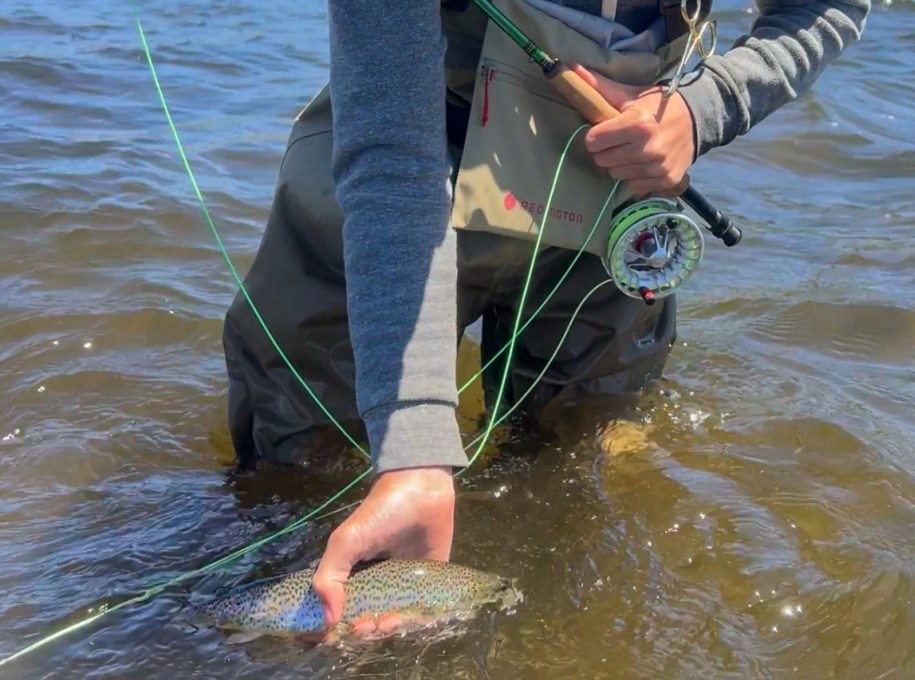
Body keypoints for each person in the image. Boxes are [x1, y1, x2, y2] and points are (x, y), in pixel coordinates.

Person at [221, 0, 870, 634]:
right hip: (392, 195)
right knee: (298, 488)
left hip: (608, 207)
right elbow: (391, 158)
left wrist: (704, 110)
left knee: (574, 482)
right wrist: (413, 454)